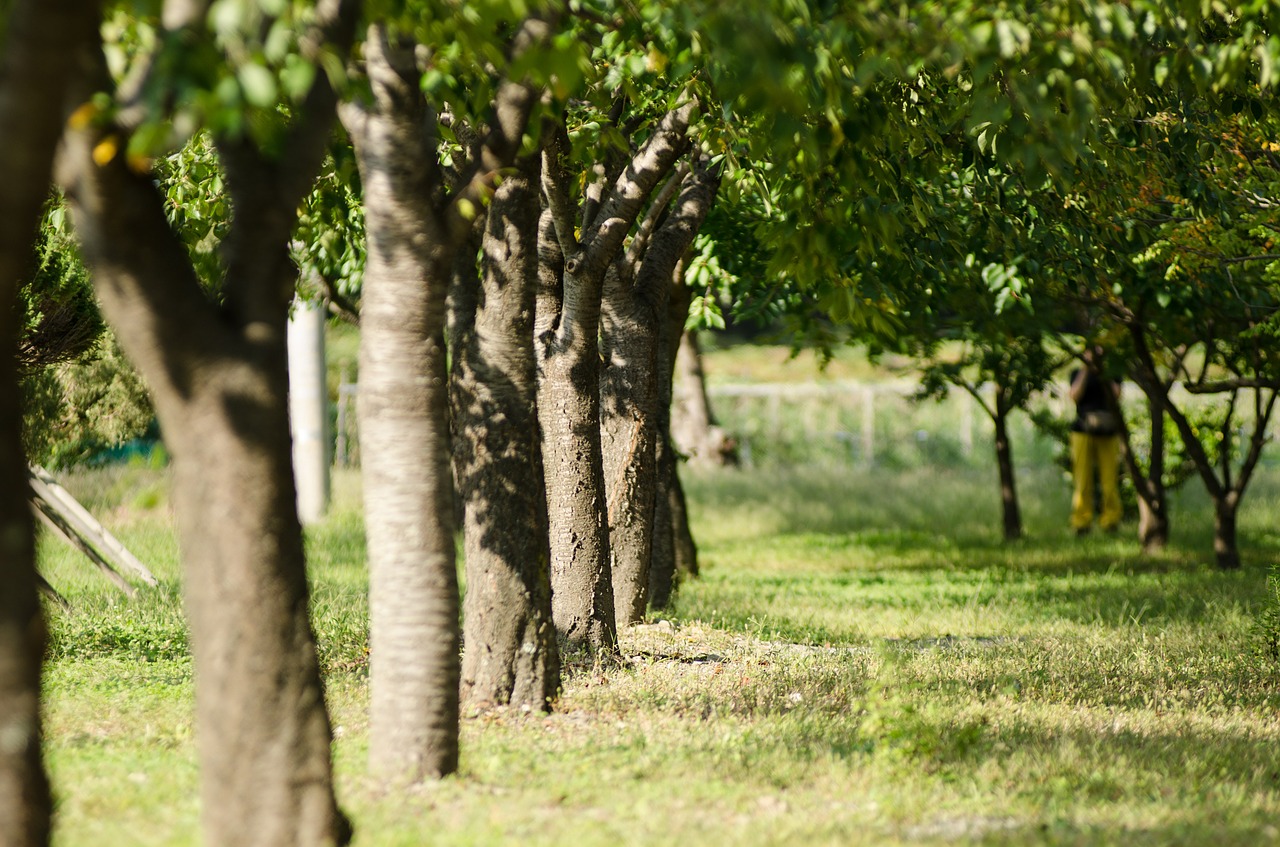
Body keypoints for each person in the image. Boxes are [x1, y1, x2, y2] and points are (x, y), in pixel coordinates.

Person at [1068, 347, 1122, 534]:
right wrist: (1086, 368)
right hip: (1082, 431)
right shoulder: (1077, 373)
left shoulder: (1113, 372)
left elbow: (1116, 394)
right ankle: (1081, 523)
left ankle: (1110, 521)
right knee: (1082, 481)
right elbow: (1074, 395)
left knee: (1109, 482)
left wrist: (1104, 371)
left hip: (1108, 432)